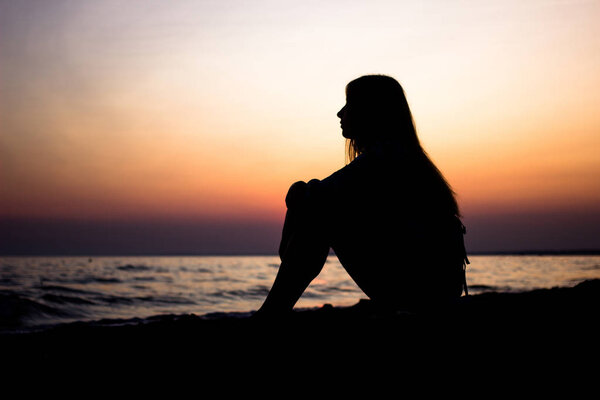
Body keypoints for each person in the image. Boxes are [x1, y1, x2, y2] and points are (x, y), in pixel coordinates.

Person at [256, 74, 468, 317]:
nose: (339, 113)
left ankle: (270, 315)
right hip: (435, 290)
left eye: (348, 104)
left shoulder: (386, 157)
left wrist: (296, 202)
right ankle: (272, 313)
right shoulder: (400, 155)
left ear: (370, 111)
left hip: (420, 292)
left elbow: (314, 196)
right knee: (318, 204)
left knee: (318, 209)